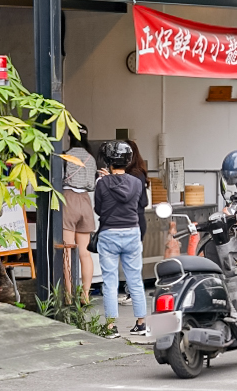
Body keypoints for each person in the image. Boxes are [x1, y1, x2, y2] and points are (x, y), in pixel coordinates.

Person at [94, 140, 148, 338]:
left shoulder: (101, 183)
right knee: (135, 279)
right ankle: (141, 324)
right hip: (132, 232)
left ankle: (110, 327)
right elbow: (134, 201)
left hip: (109, 233)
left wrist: (105, 181)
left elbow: (98, 209)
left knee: (109, 281)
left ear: (109, 161)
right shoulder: (136, 182)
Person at [62, 125, 97, 305]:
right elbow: (91, 185)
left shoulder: (65, 156)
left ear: (70, 136)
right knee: (85, 252)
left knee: (67, 250)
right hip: (85, 201)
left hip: (68, 200)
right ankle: (85, 295)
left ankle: (68, 296)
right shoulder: (91, 158)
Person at [118, 141, 151, 305]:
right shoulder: (140, 173)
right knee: (132, 258)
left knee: (131, 260)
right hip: (139, 218)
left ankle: (134, 294)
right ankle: (132, 292)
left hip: (133, 219)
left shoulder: (132, 175)